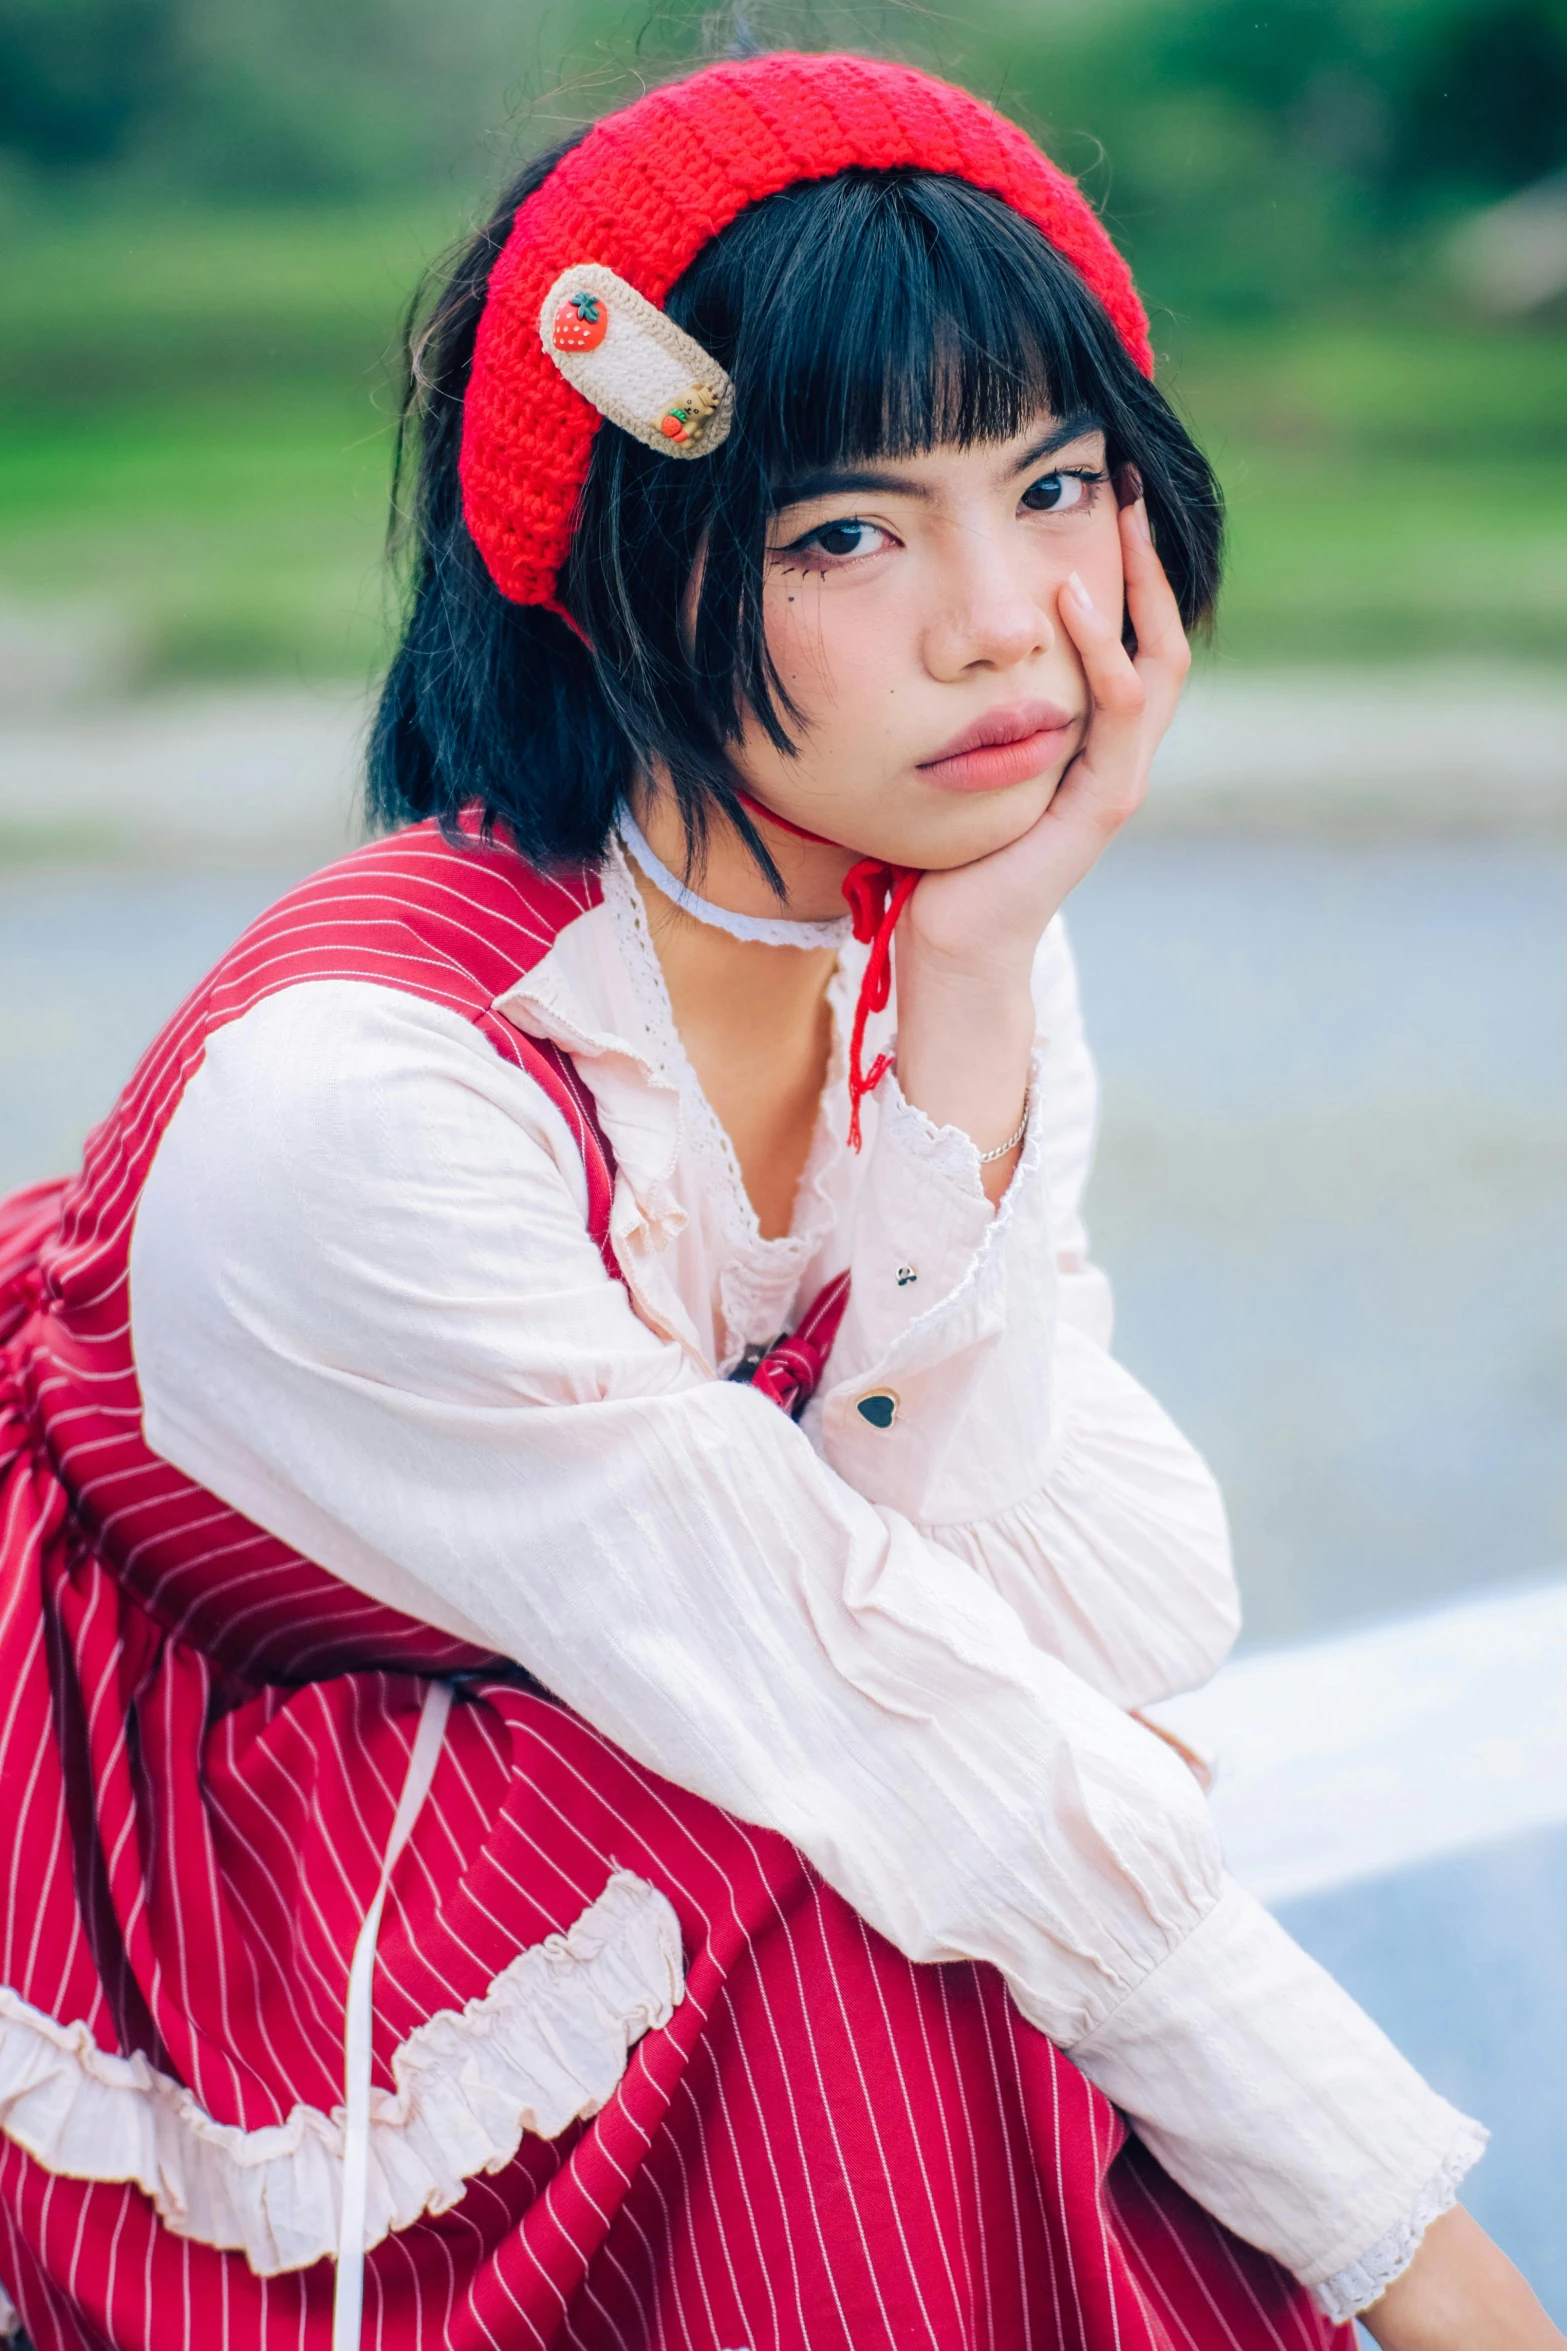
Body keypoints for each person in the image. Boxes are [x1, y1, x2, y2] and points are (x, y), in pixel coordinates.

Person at [0, 48, 1557, 2351]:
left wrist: (985, 984)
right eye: (849, 532)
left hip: (554, 1752)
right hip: (212, 1871)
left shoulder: (923, 951)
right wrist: (1431, 2269)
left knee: (930, 1855)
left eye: (1057, 489)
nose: (1006, 625)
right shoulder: (367, 1111)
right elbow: (873, 1696)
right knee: (856, 1877)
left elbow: (1084, 1563)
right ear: (624, 574)